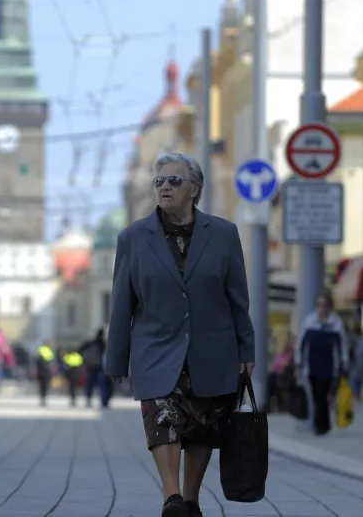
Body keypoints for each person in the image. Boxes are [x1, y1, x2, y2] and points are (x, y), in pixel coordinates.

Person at [104, 152, 255, 517]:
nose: (165, 187)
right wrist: (116, 358)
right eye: (159, 181)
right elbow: (122, 303)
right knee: (163, 419)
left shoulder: (223, 234)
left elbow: (238, 298)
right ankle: (171, 498)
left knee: (203, 427)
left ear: (195, 189)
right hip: (155, 349)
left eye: (174, 180)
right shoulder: (133, 238)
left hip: (212, 348)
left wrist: (246, 349)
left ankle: (190, 500)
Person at [295, 289, 348, 435]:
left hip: (329, 366)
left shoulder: (336, 323)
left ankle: (322, 425)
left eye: (325, 305)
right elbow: (301, 344)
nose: (322, 308)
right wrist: (299, 362)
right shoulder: (309, 322)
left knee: (323, 395)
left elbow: (342, 345)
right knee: (316, 396)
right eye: (320, 305)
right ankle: (321, 424)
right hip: (312, 366)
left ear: (330, 306)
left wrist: (344, 364)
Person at [79, 329, 107, 407]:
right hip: (97, 366)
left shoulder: (91, 343)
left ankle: (89, 399)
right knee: (101, 384)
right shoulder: (101, 343)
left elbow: (80, 350)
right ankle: (103, 400)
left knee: (90, 384)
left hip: (90, 365)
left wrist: (84, 360)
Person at [348, 324, 363, 400]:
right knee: (355, 380)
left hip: (359, 365)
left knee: (355, 379)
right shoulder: (355, 341)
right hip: (357, 364)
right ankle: (356, 394)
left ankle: (356, 394)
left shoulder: (361, 342)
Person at [35, 341, 55, 406]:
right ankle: (44, 398)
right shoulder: (49, 351)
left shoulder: (40, 350)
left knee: (42, 386)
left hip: (41, 371)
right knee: (45, 386)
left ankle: (42, 398)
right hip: (46, 371)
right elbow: (51, 362)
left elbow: (37, 361)